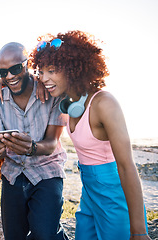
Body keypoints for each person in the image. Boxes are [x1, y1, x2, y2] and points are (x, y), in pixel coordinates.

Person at [31, 30, 150, 240]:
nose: (44, 78)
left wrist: (139, 230)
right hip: (88, 194)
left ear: (73, 68)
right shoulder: (67, 101)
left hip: (114, 193)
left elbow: (126, 166)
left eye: (52, 70)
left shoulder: (104, 103)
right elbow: (17, 81)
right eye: (41, 71)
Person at [0, 42, 69, 240]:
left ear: (27, 64)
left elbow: (51, 143)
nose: (10, 76)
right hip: (13, 173)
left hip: (47, 170)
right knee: (14, 236)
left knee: (44, 234)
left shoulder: (51, 92)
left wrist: (31, 148)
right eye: (3, 72)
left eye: (15, 69)